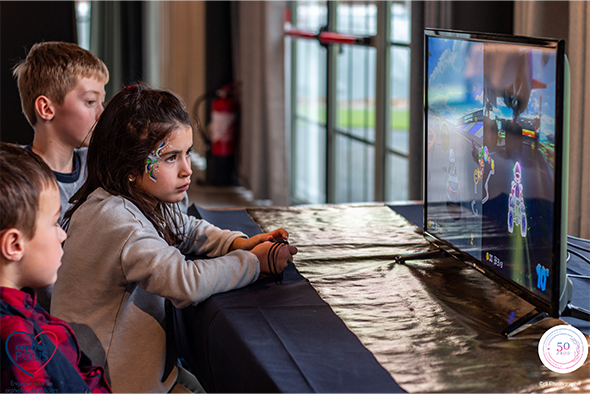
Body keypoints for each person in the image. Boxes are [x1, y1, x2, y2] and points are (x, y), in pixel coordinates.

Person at [50, 85, 298, 393]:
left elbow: (183, 227)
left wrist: (236, 243)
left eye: (188, 153)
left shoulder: (136, 197)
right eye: (170, 158)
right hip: (109, 383)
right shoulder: (116, 220)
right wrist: (253, 263)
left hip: (143, 372)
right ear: (130, 164)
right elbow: (183, 282)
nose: (187, 170)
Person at [0, 143, 111, 393]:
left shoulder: (25, 308)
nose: (62, 235)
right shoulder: (13, 338)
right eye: (53, 224)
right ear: (15, 245)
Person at [13, 41, 109, 223]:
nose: (101, 115)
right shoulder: (16, 179)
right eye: (90, 102)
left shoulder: (101, 167)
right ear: (46, 108)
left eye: (101, 102)